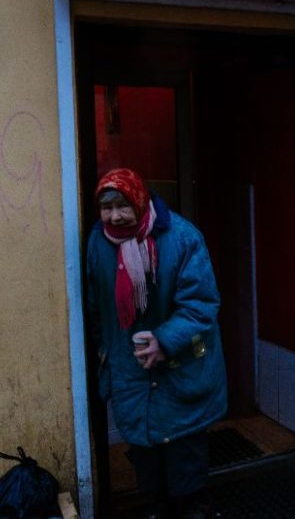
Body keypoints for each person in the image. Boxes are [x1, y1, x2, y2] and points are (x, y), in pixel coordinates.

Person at [86, 168, 227, 519]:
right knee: (148, 465)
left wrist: (164, 339)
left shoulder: (181, 238)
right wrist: (105, 355)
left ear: (140, 200)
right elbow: (95, 307)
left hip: (181, 367)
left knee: (186, 463)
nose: (115, 215)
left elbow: (201, 304)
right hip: (130, 369)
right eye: (107, 208)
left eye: (122, 205)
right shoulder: (97, 243)